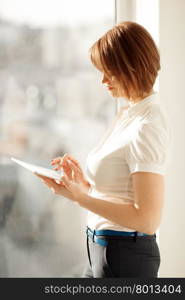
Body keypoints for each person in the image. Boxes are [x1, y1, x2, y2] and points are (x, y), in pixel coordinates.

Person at [35, 21, 172, 277]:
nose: (103, 80)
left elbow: (147, 219)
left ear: (131, 67)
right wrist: (83, 186)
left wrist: (81, 198)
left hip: (124, 257)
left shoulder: (148, 124)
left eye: (110, 71)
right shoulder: (128, 113)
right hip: (101, 249)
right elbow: (119, 194)